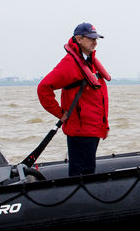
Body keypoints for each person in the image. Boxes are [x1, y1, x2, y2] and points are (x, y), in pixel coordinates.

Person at [37, 22, 111, 176]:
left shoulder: (89, 60)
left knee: (89, 169)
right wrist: (59, 113)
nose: (95, 42)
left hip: (92, 129)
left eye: (96, 39)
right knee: (80, 172)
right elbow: (43, 88)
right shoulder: (70, 63)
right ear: (79, 39)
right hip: (80, 130)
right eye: (91, 39)